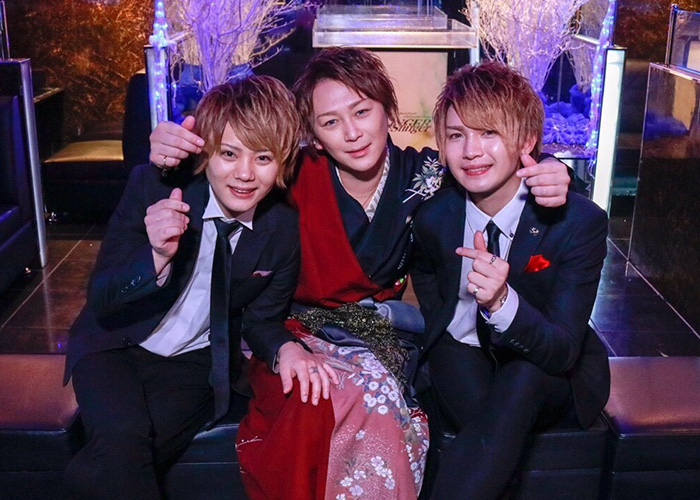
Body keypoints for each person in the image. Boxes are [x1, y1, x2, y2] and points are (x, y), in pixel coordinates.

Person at [148, 47, 572, 500]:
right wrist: (166, 158)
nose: (351, 133)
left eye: (362, 112)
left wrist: (554, 168)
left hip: (379, 336)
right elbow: (226, 171)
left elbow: (494, 166)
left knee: (378, 398)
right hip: (289, 332)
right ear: (313, 135)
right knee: (315, 400)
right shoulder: (292, 174)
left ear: (388, 109)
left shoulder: (426, 174)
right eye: (330, 122)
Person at [62, 76, 326, 500]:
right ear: (207, 152)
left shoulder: (280, 228)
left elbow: (262, 320)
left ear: (282, 163)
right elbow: (103, 299)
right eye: (229, 153)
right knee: (124, 437)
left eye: (262, 157)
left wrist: (286, 349)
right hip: (115, 343)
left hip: (195, 362)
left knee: (111, 464)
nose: (245, 174)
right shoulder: (155, 186)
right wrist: (156, 256)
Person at [411, 61, 610, 500]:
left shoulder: (578, 222)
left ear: (527, 141)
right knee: (459, 371)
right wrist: (443, 315)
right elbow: (424, 267)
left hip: (547, 367)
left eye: (489, 133)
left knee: (521, 378)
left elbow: (562, 352)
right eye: (456, 135)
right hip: (464, 350)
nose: (471, 151)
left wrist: (501, 301)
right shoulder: (435, 217)